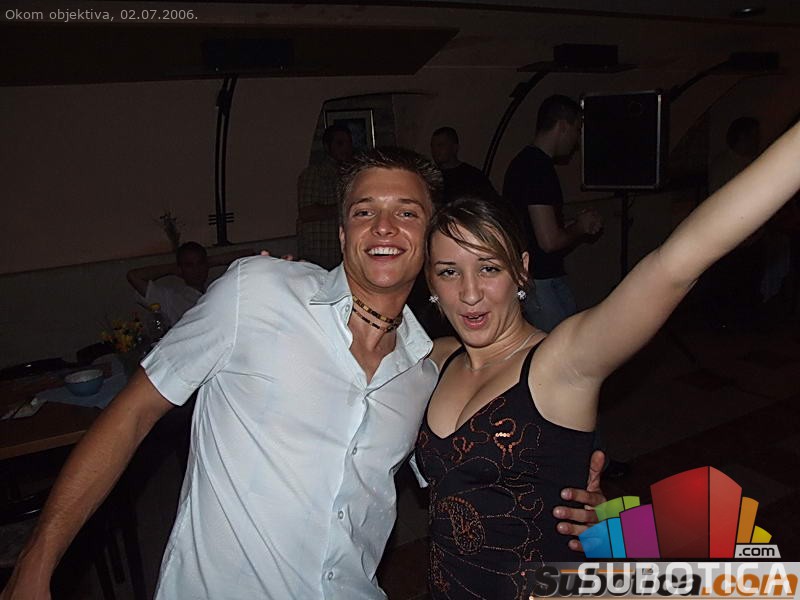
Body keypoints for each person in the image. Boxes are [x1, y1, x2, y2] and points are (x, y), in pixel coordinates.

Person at [2, 147, 603, 600]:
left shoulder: (426, 369)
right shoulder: (256, 292)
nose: (384, 226)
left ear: (428, 243)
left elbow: (475, 475)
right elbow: (133, 414)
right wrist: (37, 559)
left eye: (407, 212)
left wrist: (591, 512)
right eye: (365, 211)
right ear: (342, 235)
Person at [415, 117, 800, 598]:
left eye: (489, 268)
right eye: (449, 272)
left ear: (522, 271)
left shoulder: (560, 362)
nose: (470, 293)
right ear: (431, 283)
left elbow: (674, 265)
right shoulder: (434, 358)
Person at [503, 94, 603, 333]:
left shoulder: (524, 162)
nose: (577, 140)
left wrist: (573, 223)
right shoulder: (538, 169)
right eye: (577, 129)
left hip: (534, 277)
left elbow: (532, 224)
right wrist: (580, 227)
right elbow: (549, 241)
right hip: (541, 281)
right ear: (562, 126)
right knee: (561, 346)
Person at [126, 242, 252, 327]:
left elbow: (250, 255)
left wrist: (211, 262)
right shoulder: (171, 298)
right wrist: (172, 269)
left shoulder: (219, 287)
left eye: (200, 263)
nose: (196, 270)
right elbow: (134, 276)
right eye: (189, 265)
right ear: (180, 269)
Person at [296, 123, 354, 268]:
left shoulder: (350, 175)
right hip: (319, 255)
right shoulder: (314, 174)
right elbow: (307, 213)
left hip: (341, 254)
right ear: (328, 147)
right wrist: (348, 207)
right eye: (340, 143)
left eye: (348, 143)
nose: (346, 148)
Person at [430, 126, 498, 205]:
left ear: (455, 148)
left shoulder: (473, 177)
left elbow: (492, 203)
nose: (435, 150)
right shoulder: (431, 177)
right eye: (433, 146)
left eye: (440, 145)